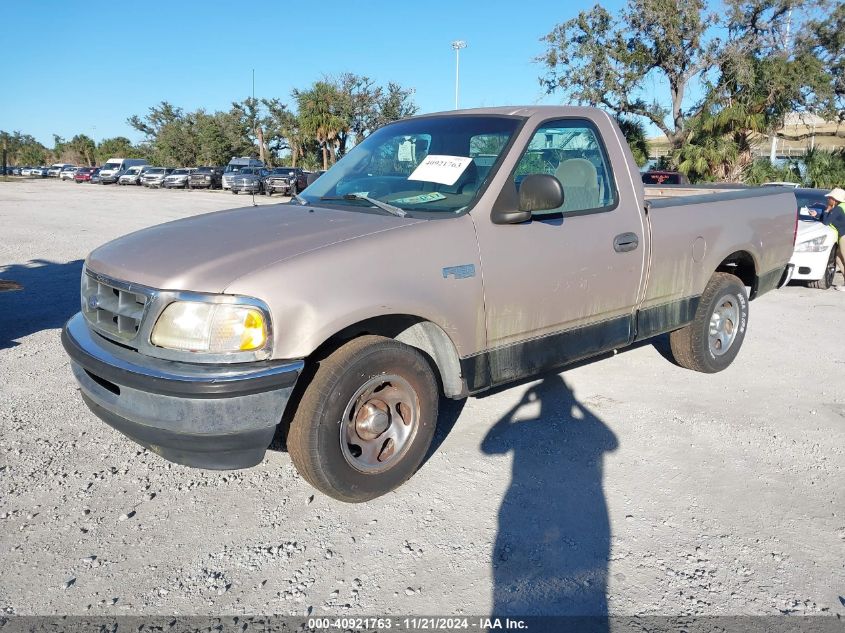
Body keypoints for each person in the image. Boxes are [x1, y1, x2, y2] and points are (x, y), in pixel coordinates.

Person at [808, 187, 845, 290]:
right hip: (842, 236)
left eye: (829, 197)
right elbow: (830, 219)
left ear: (834, 199)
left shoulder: (837, 209)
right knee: (838, 259)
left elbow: (826, 222)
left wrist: (827, 210)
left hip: (844, 237)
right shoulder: (838, 208)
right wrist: (817, 215)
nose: (828, 198)